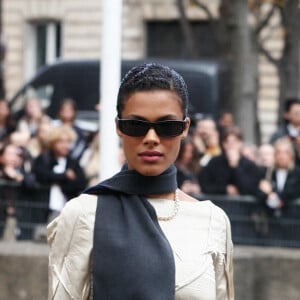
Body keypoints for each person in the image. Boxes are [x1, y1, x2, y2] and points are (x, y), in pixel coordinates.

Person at [47, 63, 234, 299]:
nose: (151, 138)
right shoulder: (82, 214)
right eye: (136, 126)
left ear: (185, 128)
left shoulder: (213, 221)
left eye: (167, 126)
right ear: (118, 127)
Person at [33, 124, 87, 223]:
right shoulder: (44, 158)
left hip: (66, 208)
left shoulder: (72, 162)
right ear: (53, 143)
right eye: (61, 142)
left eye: (68, 142)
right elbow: (41, 175)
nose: (65, 145)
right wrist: (64, 176)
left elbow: (81, 182)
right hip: (43, 207)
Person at [199, 126, 263, 197]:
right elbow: (204, 185)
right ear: (223, 144)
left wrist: (235, 166)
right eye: (227, 142)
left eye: (234, 142)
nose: (231, 145)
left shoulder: (250, 165)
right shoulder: (214, 163)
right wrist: (225, 189)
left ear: (241, 143)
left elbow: (250, 188)